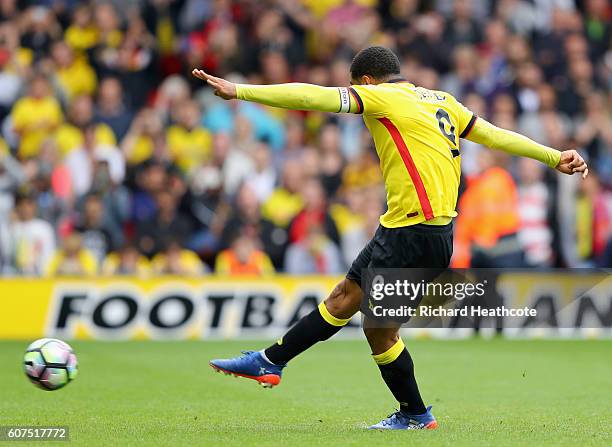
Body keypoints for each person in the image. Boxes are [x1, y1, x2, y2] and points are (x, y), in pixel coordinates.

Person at [192, 46, 588, 430]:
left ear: (365, 81)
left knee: (379, 329)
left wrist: (240, 91)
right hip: (404, 226)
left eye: (358, 86)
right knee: (344, 297)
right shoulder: (442, 100)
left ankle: (415, 413)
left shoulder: (382, 97)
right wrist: (554, 156)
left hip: (416, 232)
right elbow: (494, 135)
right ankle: (270, 361)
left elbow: (312, 96)